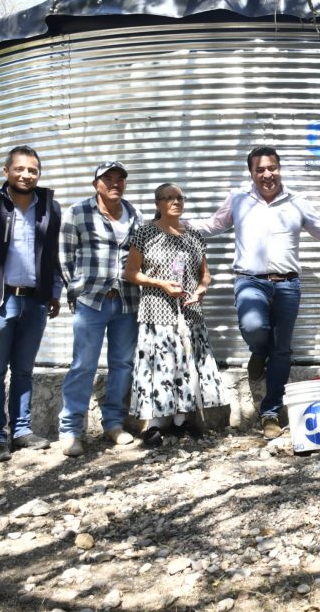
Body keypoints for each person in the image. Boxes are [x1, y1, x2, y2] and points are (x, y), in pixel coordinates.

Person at [190, 146, 320, 440]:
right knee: (253, 325)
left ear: (279, 168)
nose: (267, 174)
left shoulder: (297, 201)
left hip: (287, 284)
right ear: (251, 173)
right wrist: (175, 224)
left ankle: (269, 411)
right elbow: (213, 225)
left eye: (272, 168)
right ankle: (258, 350)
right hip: (250, 281)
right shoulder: (238, 198)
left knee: (282, 349)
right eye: (260, 170)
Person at [0, 145, 62, 462]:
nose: (26, 175)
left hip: (34, 302)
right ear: (6, 170)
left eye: (32, 170)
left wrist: (55, 292)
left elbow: (52, 254)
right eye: (20, 169)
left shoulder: (49, 206)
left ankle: (21, 431)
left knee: (23, 370)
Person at [124, 184, 227, 446]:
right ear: (157, 203)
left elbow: (205, 274)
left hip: (189, 312)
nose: (175, 202)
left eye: (179, 198)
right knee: (160, 366)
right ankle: (155, 423)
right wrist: (161, 284)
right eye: (168, 198)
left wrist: (201, 290)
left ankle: (181, 421)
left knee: (186, 365)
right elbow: (131, 273)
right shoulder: (145, 233)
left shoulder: (193, 234)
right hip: (157, 312)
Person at [58, 161, 141, 457]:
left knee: (122, 364)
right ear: (96, 184)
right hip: (91, 301)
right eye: (108, 179)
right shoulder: (78, 212)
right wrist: (77, 289)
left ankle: (114, 423)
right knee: (83, 364)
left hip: (127, 300)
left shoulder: (134, 215)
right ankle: (70, 431)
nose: (115, 183)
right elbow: (64, 257)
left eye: (120, 179)